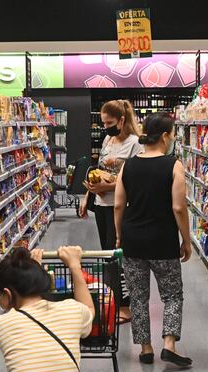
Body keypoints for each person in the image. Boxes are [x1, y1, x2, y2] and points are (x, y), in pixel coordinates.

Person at [113, 112, 193, 367]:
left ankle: (146, 348)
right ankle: (169, 344)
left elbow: (118, 204)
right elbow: (179, 208)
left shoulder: (129, 164)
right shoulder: (173, 165)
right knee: (171, 294)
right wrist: (186, 240)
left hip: (133, 240)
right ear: (167, 135)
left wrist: (118, 235)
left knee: (138, 297)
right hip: (162, 241)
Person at [79, 99, 143, 323]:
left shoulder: (136, 143)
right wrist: (88, 195)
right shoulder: (107, 139)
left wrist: (107, 187)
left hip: (122, 208)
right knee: (107, 255)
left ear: (122, 120)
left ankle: (126, 306)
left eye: (109, 122)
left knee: (119, 255)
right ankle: (114, 299)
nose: (105, 126)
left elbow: (134, 178)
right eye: (103, 122)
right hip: (102, 205)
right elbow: (100, 169)